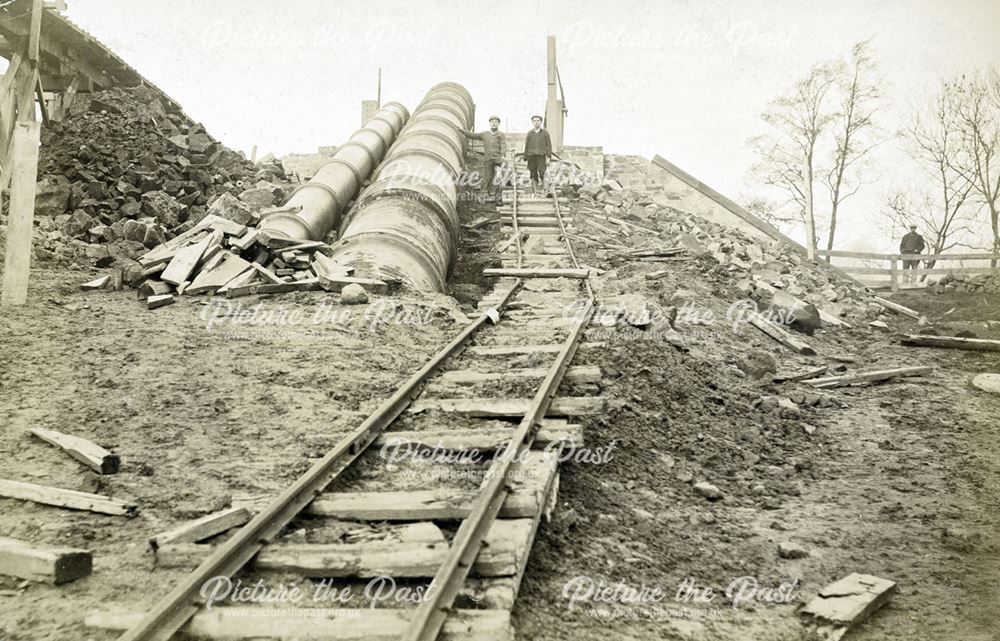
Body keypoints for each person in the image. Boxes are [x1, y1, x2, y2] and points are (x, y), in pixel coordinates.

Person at [459, 116, 506, 201]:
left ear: (498, 124)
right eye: (492, 122)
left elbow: (503, 144)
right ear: (490, 124)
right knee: (488, 177)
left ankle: (498, 195)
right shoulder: (485, 134)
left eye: (496, 122)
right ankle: (491, 195)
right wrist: (463, 132)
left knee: (499, 176)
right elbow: (473, 135)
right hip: (488, 159)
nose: (494, 123)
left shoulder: (501, 134)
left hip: (498, 159)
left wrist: (503, 154)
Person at [522, 115, 552, 195]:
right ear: (532, 122)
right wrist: (525, 157)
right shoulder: (530, 134)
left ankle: (546, 190)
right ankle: (535, 191)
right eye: (534, 121)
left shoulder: (545, 133)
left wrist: (548, 157)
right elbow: (527, 145)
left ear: (541, 122)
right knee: (533, 173)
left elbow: (549, 146)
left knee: (542, 172)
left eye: (538, 120)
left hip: (541, 156)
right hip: (531, 156)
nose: (536, 122)